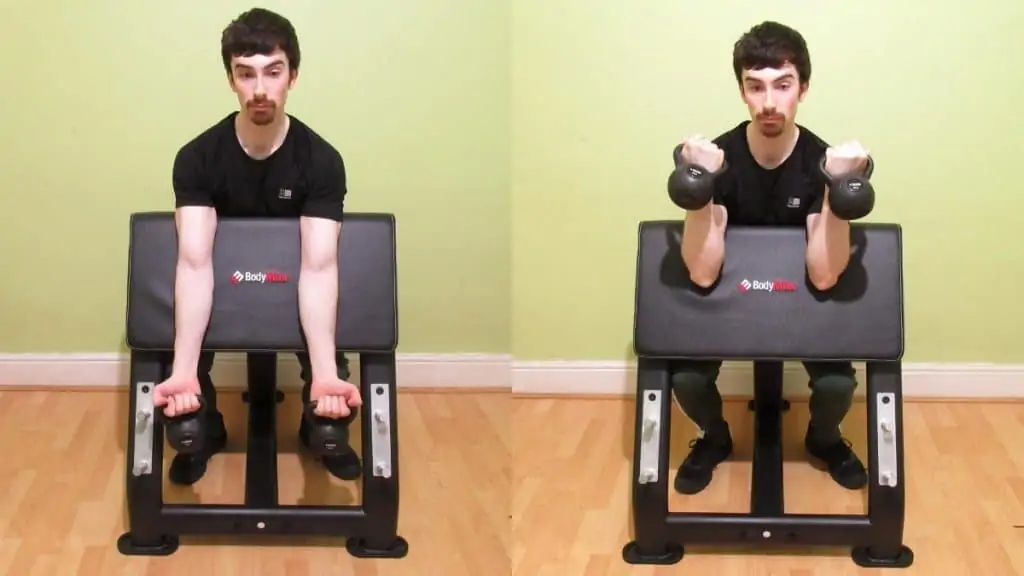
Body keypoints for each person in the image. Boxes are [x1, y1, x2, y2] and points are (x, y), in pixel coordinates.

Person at [151, 8, 363, 486]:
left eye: (273, 72)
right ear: (231, 79)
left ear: (293, 76)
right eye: (246, 75)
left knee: (330, 351)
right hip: (221, 283)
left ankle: (317, 428)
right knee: (183, 356)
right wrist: (184, 370)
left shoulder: (322, 161)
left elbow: (321, 266)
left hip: (296, 283)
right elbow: (193, 260)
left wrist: (327, 373)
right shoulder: (197, 158)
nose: (260, 89)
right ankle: (205, 432)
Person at [669, 21, 872, 495]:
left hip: (802, 296)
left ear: (803, 86)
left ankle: (823, 439)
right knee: (687, 378)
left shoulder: (821, 162)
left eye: (782, 85)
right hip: (730, 295)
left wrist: (837, 189)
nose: (768, 102)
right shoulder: (720, 160)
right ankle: (715, 438)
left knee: (837, 386)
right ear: (741, 90)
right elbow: (701, 271)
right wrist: (699, 187)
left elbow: (823, 277)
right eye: (754, 87)